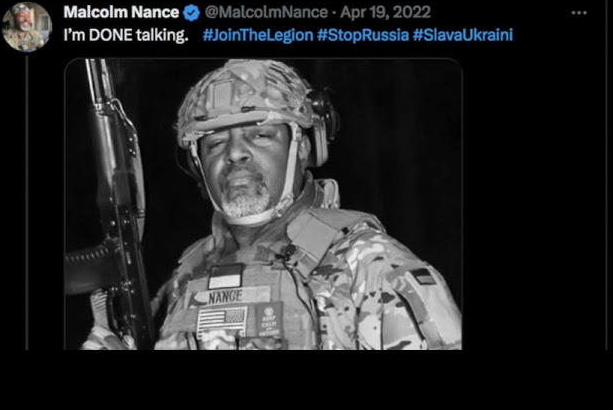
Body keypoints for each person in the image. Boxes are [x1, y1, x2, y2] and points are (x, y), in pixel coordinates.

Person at [82, 59, 462, 350]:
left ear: (304, 148)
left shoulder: (374, 268)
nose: (235, 154)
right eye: (215, 143)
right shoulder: (186, 278)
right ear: (198, 165)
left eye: (260, 135)